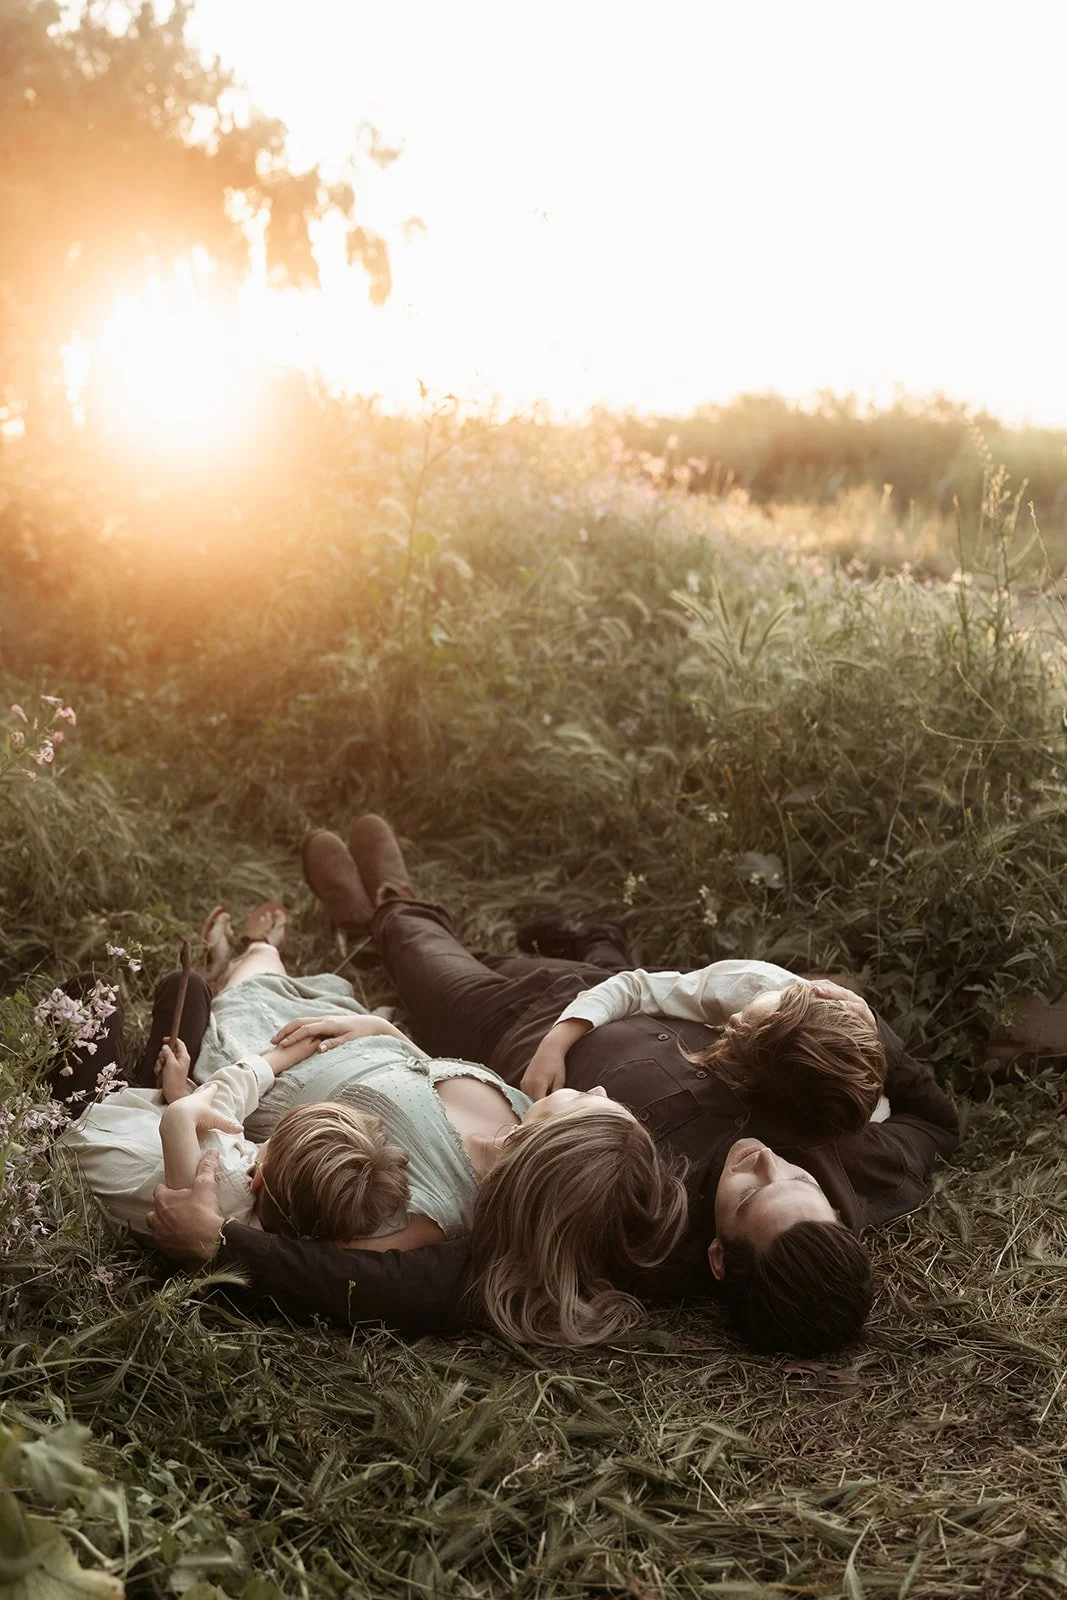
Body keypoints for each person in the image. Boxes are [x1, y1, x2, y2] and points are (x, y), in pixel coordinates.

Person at [149, 819, 961, 1355]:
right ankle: (404, 914)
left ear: (718, 1257)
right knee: (487, 959)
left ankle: (383, 913)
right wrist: (852, 1020)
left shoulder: (641, 1235)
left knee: (431, 965)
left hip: (503, 1039)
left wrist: (226, 1250)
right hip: (598, 994)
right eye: (796, 1180)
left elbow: (426, 1288)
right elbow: (932, 1114)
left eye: (751, 1193)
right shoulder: (855, 1168)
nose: (762, 1160)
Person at [55, 917, 418, 1246]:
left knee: (95, 990)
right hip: (147, 1120)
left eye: (268, 1143)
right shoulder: (249, 1226)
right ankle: (210, 977)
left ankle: (54, 1074)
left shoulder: (223, 1173)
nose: (260, 1142)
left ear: (257, 1176)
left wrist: (288, 1054)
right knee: (188, 988)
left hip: (86, 1120)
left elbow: (191, 1112)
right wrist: (179, 1089)